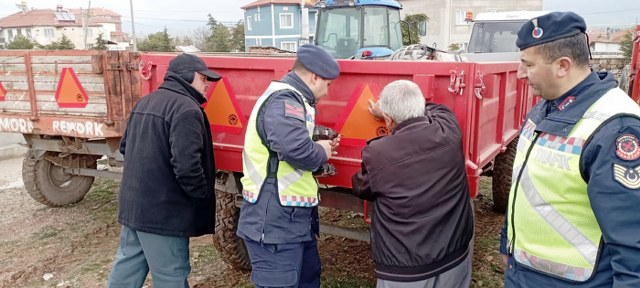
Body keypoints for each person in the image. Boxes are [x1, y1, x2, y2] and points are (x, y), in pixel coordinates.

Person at [500, 11, 640, 287]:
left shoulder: (616, 129)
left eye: (527, 65)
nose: (519, 73)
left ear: (562, 66)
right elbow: (523, 185)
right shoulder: (546, 107)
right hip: (525, 273)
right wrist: (508, 246)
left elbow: (632, 245)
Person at [108, 53, 220, 288]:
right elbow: (187, 167)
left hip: (134, 206)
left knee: (128, 267)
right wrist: (201, 196)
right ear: (188, 77)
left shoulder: (146, 102)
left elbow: (125, 147)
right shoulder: (187, 110)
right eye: (203, 79)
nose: (207, 84)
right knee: (171, 274)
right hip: (164, 214)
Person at [352, 80, 474, 288]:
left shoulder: (379, 153)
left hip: (407, 271)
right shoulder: (450, 129)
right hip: (455, 257)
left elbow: (361, 186)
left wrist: (387, 112)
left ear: (388, 119)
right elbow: (438, 110)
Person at [236, 44, 340, 288]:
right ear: (315, 76)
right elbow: (294, 149)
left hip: (291, 221)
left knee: (308, 278)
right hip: (273, 222)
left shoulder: (293, 100)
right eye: (328, 84)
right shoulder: (285, 99)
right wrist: (321, 151)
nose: (327, 92)